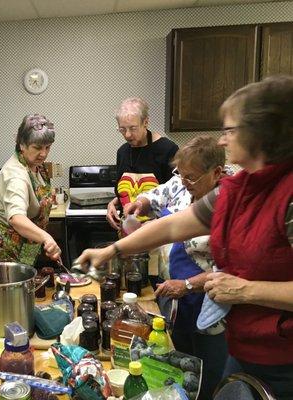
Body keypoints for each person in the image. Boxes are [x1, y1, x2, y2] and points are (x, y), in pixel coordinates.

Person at [77, 75, 293, 398]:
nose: (222, 140)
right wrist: (113, 250)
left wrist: (246, 290)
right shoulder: (235, 192)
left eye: (230, 130)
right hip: (244, 351)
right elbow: (174, 225)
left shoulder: (288, 197)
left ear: (263, 134)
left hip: (284, 363)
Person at [124, 135, 229, 399]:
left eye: (191, 177)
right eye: (180, 174)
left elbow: (229, 271)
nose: (184, 181)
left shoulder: (229, 204)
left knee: (207, 376)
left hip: (212, 307)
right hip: (178, 301)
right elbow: (159, 193)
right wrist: (141, 202)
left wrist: (187, 285)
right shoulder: (184, 184)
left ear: (216, 173)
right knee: (181, 365)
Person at [0, 114, 61, 265]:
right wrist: (46, 237)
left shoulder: (34, 164)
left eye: (47, 147)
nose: (44, 153)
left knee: (26, 283)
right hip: (1, 242)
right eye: (37, 147)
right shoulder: (15, 175)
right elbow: (16, 218)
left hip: (25, 242)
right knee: (6, 287)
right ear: (22, 144)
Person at [107, 97, 179, 229]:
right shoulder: (122, 152)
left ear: (145, 122)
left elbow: (178, 196)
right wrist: (112, 204)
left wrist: (154, 224)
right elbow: (126, 192)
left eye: (132, 128)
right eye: (122, 129)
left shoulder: (167, 150)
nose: (127, 135)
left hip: (159, 234)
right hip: (128, 232)